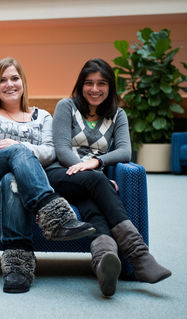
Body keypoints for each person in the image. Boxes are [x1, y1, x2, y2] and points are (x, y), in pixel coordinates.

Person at [45, 58, 172, 297]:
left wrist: (97, 162)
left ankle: (104, 265)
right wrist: (95, 173)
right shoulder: (66, 106)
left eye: (101, 83)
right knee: (97, 183)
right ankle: (140, 257)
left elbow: (124, 151)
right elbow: (62, 151)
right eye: (89, 83)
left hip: (91, 183)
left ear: (110, 86)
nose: (95, 89)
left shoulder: (118, 115)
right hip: (60, 174)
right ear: (81, 85)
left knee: (93, 206)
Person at [0, 57, 95, 293]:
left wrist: (18, 147)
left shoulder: (44, 116)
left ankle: (18, 267)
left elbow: (51, 151)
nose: (9, 84)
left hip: (18, 184)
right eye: (2, 80)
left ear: (23, 82)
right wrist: (11, 149)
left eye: (14, 78)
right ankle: (53, 213)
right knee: (17, 151)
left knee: (12, 179)